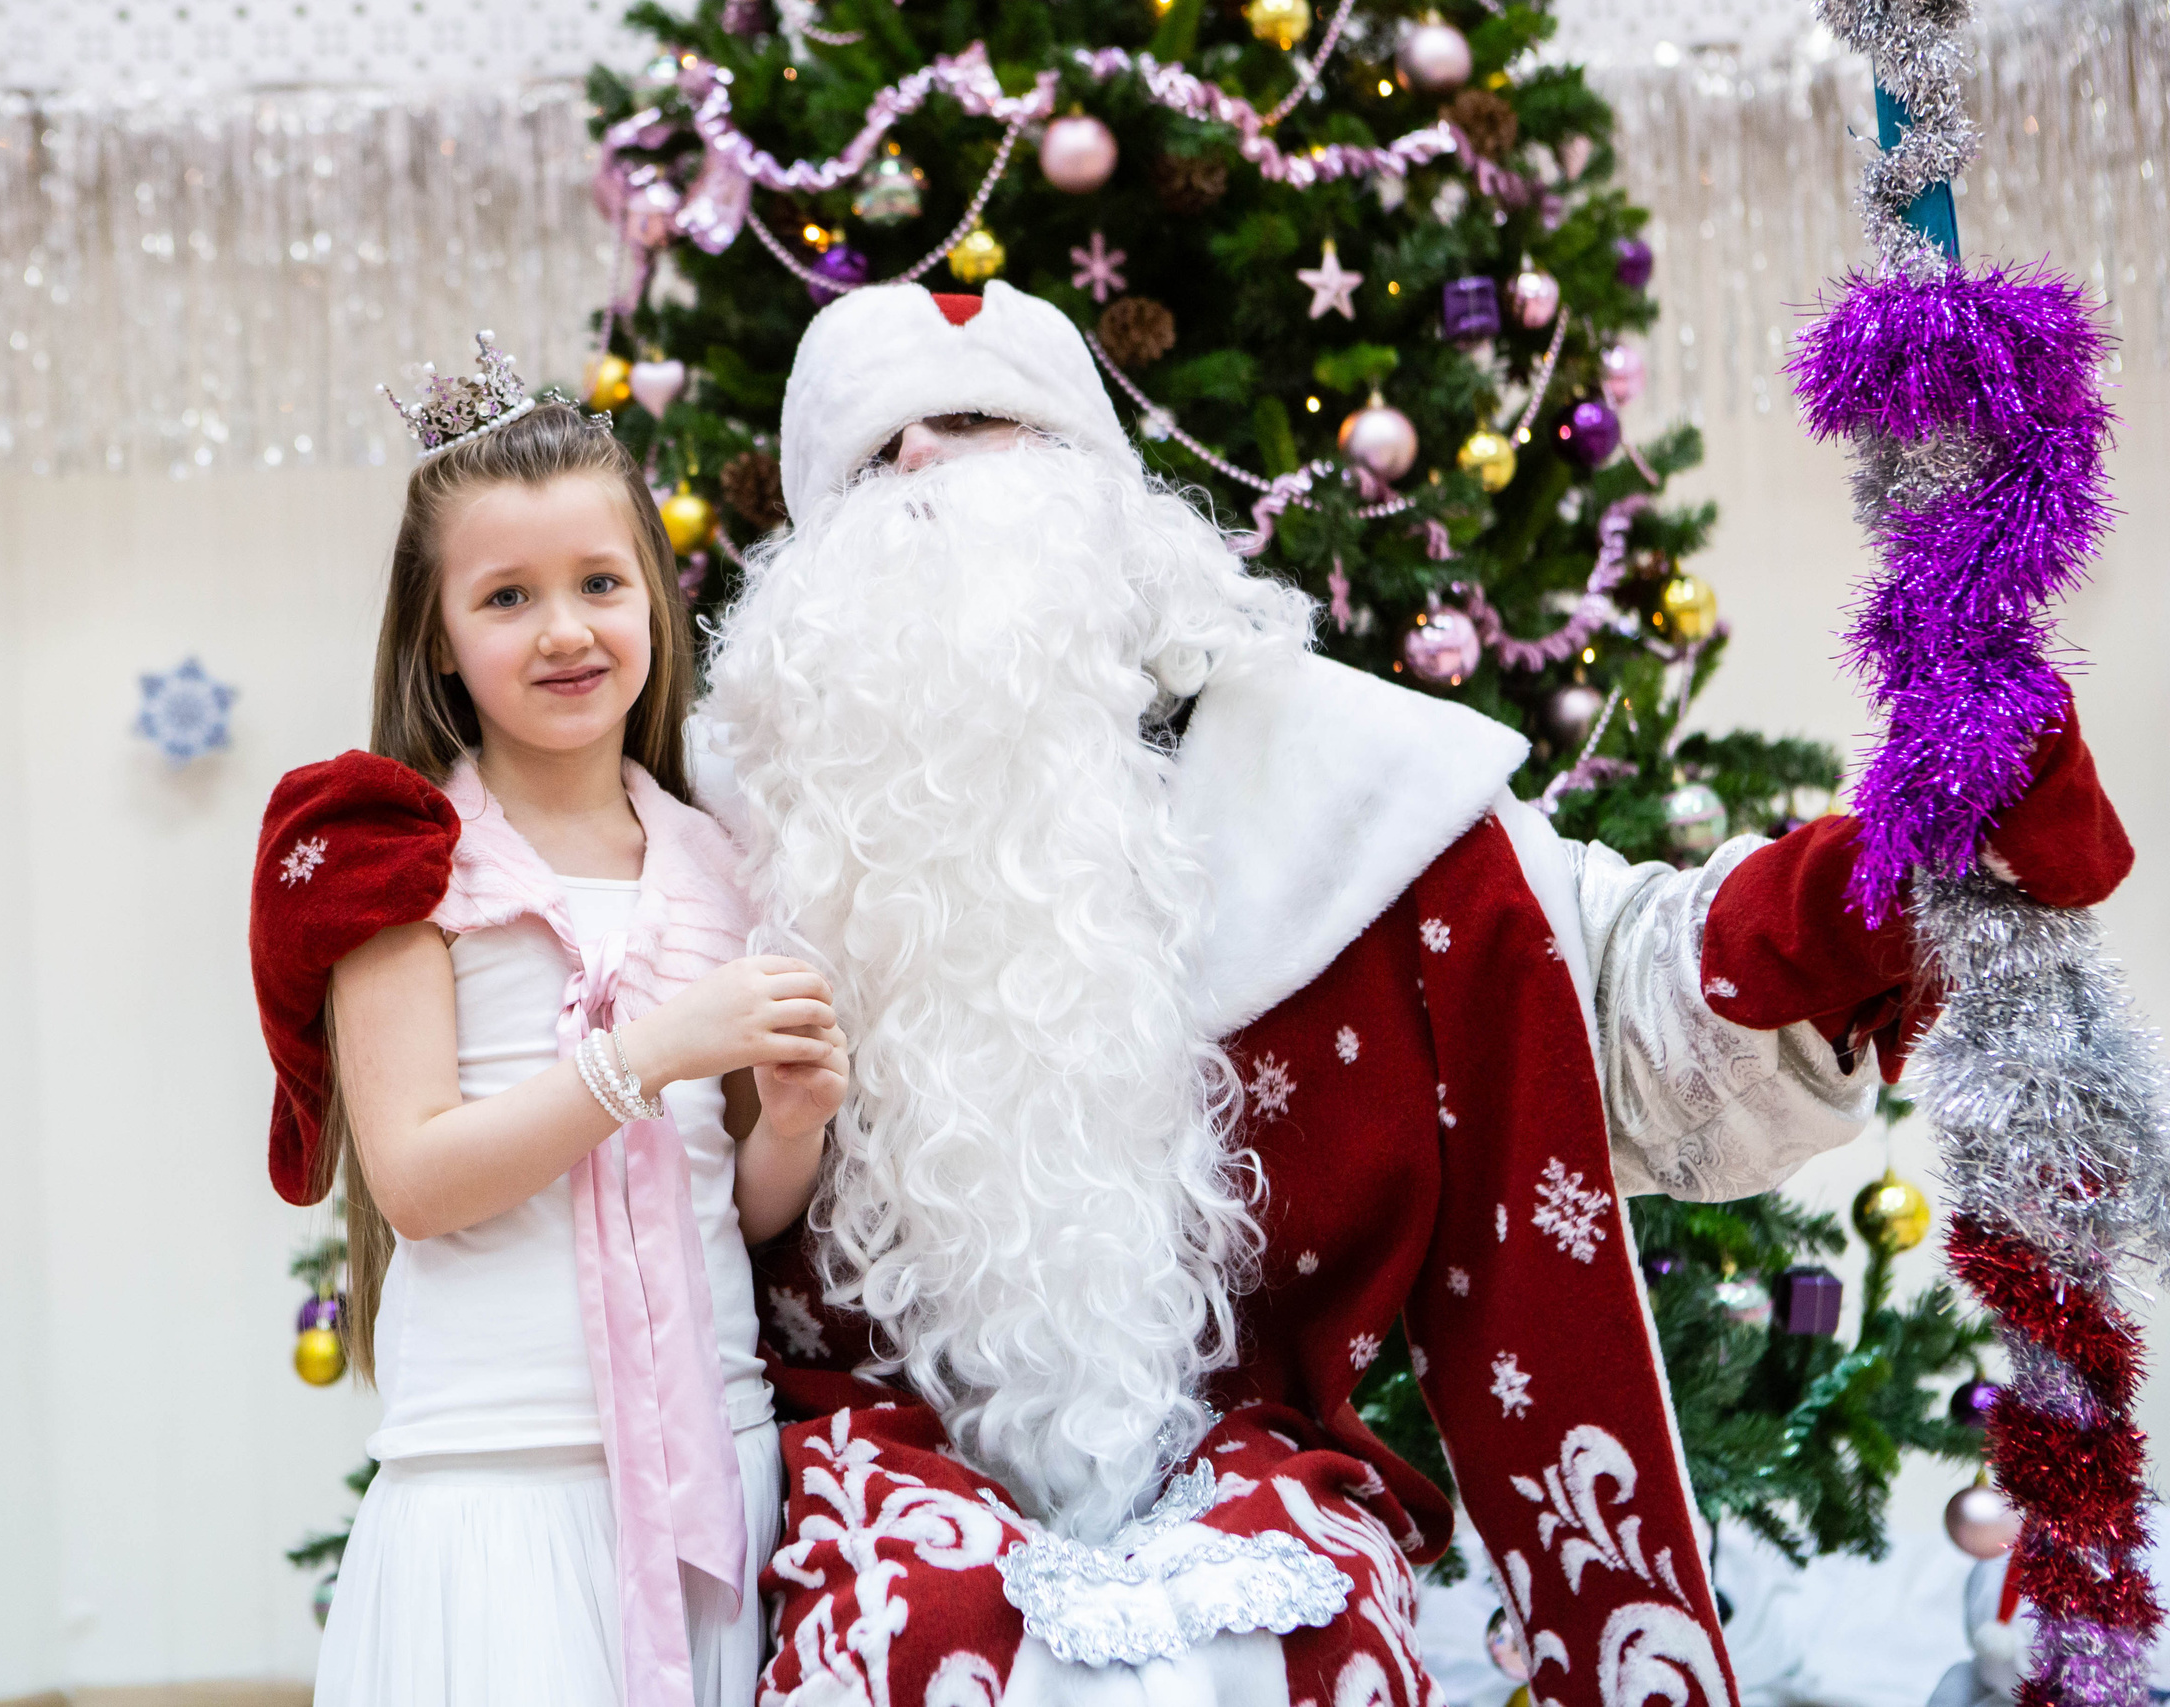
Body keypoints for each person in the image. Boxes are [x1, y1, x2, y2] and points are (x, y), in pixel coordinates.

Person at [692, 283, 2134, 1706]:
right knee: (916, 1641)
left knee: (1295, 1650)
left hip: (1251, 1466)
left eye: (972, 420)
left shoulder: (1346, 789)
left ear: (1096, 488)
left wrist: (1880, 874)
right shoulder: (722, 839)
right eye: (874, 456)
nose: (927, 468)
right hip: (866, 1464)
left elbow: (1616, 1004)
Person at [246, 335, 849, 1707]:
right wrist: (648, 1051)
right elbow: (418, 1179)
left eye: (599, 584)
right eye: (508, 597)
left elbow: (727, 1205)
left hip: (712, 1467)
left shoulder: (717, 860)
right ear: (443, 640)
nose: (566, 629)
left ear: (653, 602)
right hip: (502, 1479)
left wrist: (794, 1129)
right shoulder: (411, 865)